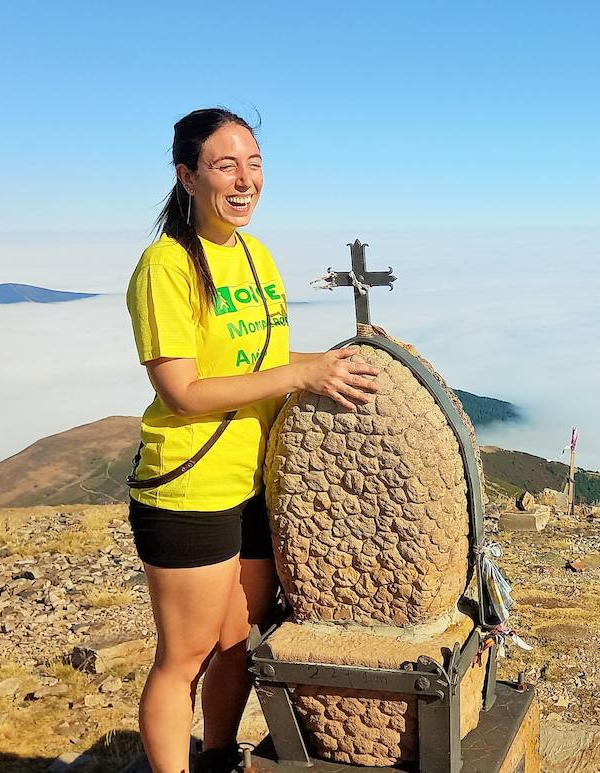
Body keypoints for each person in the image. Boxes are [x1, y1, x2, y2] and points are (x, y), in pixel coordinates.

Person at [124, 107, 380, 773]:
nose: (245, 180)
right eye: (225, 165)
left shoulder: (255, 255)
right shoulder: (168, 264)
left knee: (239, 639)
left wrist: (328, 363)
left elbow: (251, 357)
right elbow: (182, 387)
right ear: (187, 176)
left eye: (255, 163)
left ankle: (215, 759)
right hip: (191, 487)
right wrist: (297, 371)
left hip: (257, 482)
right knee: (185, 656)